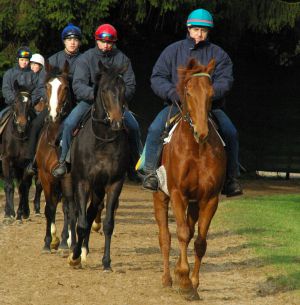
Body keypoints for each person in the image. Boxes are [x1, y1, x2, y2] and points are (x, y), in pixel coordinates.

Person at [142, 8, 243, 197]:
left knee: (231, 132)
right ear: (188, 28)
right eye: (196, 29)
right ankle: (150, 174)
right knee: (155, 129)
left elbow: (226, 80)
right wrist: (173, 93)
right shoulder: (172, 51)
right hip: (176, 105)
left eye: (204, 30)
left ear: (208, 32)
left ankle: (231, 179)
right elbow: (157, 77)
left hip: (209, 107)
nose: (200, 34)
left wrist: (208, 94)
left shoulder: (218, 54)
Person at [51, 23, 142, 178]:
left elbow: (130, 85)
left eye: (109, 42)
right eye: (103, 41)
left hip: (115, 104)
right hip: (89, 102)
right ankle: (63, 162)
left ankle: (137, 165)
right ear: (97, 41)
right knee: (69, 124)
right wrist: (97, 96)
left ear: (114, 42)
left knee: (134, 126)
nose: (106, 45)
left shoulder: (122, 59)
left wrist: (117, 98)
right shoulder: (86, 58)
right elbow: (78, 85)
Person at [25, 23, 82, 176]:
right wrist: (50, 101)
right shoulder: (53, 59)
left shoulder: (83, 60)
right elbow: (42, 84)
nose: (72, 42)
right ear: (64, 41)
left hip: (75, 104)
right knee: (36, 124)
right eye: (69, 39)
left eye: (75, 39)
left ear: (79, 42)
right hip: (53, 103)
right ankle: (32, 162)